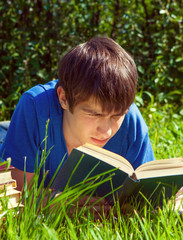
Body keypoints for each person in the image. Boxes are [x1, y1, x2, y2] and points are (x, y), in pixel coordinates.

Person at [0, 37, 155, 208]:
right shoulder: (34, 107)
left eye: (116, 116)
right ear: (63, 98)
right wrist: (66, 203)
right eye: (94, 114)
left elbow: (148, 192)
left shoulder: (130, 117)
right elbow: (12, 197)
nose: (106, 131)